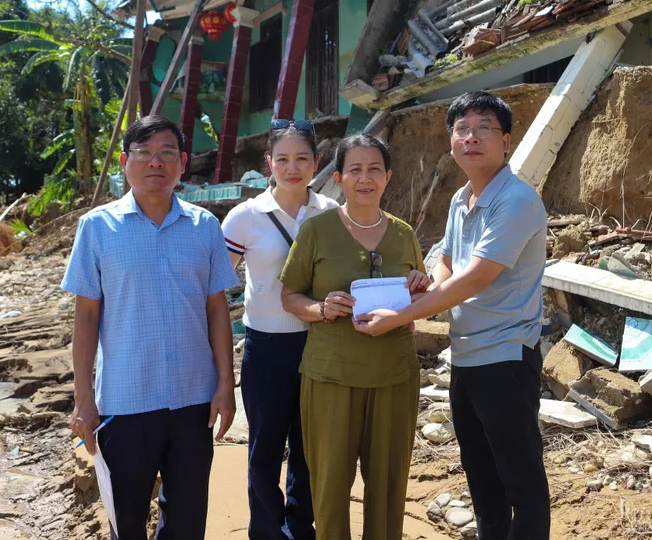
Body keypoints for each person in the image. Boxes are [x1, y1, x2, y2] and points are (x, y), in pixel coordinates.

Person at [353, 92, 550, 540]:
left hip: (505, 358)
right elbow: (447, 261)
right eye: (462, 129)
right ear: (451, 141)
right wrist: (426, 283)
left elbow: (475, 278)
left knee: (521, 483)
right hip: (466, 357)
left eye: (484, 128)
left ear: (506, 141)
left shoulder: (516, 200)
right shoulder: (462, 198)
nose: (471, 137)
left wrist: (401, 316)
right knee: (482, 479)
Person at [62, 115, 239, 540]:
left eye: (166, 153)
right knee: (126, 522)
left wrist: (225, 385)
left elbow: (217, 309)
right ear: (125, 162)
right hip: (125, 403)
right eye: (144, 153)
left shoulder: (204, 226)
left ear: (182, 163)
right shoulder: (97, 228)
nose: (155, 162)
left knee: (187, 523)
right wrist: (83, 399)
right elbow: (86, 317)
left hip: (194, 400)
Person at [279, 134, 431, 540]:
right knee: (329, 487)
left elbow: (416, 299)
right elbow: (290, 296)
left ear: (388, 177)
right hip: (331, 376)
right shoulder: (316, 231)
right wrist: (322, 308)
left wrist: (419, 286)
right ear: (339, 178)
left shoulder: (403, 234)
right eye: (355, 170)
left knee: (388, 487)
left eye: (375, 169)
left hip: (394, 376)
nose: (365, 178)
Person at [220, 120, 338, 540]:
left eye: (302, 158)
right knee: (265, 448)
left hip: (320, 344)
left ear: (316, 162)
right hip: (266, 349)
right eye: (283, 159)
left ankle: (300, 529)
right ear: (268, 162)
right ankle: (267, 531)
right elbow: (214, 284)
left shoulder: (331, 212)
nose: (292, 168)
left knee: (309, 448)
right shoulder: (244, 217)